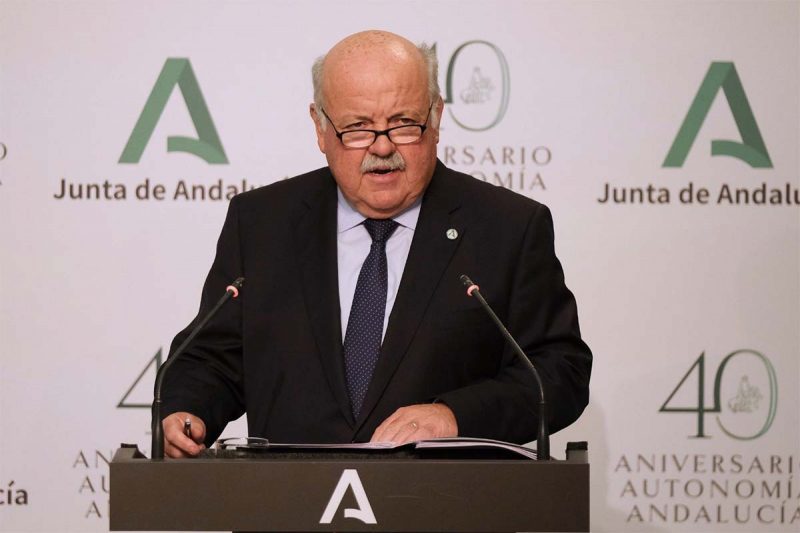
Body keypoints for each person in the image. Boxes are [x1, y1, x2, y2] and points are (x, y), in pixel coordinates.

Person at [161, 30, 592, 458]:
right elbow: (213, 357)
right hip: (289, 494)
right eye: (358, 128)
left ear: (436, 117)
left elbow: (559, 371)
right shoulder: (262, 223)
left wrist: (455, 416)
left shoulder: (508, 227)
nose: (382, 147)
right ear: (320, 127)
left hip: (444, 496)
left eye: (403, 124)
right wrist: (188, 410)